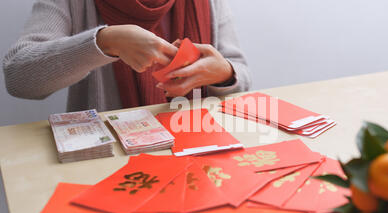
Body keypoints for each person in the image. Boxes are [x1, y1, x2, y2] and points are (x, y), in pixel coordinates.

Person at [3, 0, 251, 112]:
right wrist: (105, 42)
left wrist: (225, 74)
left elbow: (242, 75)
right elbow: (19, 78)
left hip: (199, 151)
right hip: (109, 166)